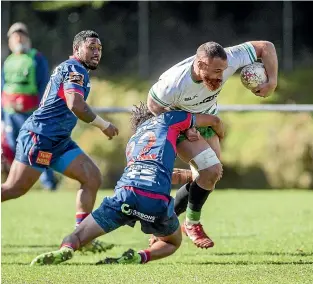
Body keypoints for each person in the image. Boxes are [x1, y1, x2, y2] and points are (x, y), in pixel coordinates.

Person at [30, 102, 225, 266]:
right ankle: (140, 256)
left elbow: (151, 170)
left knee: (77, 236)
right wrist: (219, 138)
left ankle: (67, 249)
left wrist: (189, 176)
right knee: (172, 242)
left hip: (124, 195)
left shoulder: (133, 141)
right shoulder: (169, 119)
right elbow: (214, 121)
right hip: (154, 200)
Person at [147, 40, 278, 248]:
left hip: (207, 120)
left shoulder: (230, 58)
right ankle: (191, 224)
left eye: (224, 70)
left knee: (210, 176)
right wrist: (184, 125)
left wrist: (272, 82)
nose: (221, 76)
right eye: (216, 71)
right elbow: (153, 106)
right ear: (200, 64)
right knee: (210, 170)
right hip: (180, 123)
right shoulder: (174, 82)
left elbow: (266, 47)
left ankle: (163, 219)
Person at [1, 30, 119, 253]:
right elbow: (76, 104)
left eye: (99, 49)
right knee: (13, 189)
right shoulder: (75, 69)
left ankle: (81, 237)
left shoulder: (77, 69)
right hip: (40, 138)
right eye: (91, 48)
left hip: (59, 141)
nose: (96, 52)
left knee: (92, 177)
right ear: (77, 50)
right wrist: (105, 125)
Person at [1, 22, 57, 190]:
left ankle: (49, 183)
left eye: (21, 35)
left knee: (40, 148)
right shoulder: (8, 61)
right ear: (10, 40)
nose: (18, 38)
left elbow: (44, 86)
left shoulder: (36, 58)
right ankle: (17, 183)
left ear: (27, 38)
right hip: (11, 114)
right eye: (15, 36)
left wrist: (42, 110)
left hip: (32, 113)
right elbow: (3, 88)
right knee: (13, 148)